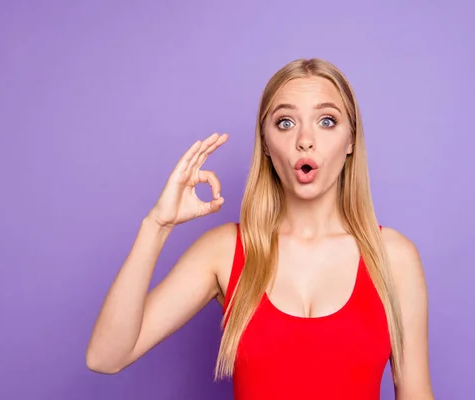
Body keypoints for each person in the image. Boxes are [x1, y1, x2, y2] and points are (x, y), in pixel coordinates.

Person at [86, 58, 434, 399]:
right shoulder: (224, 251)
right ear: (266, 144)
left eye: (327, 121)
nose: (305, 140)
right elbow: (106, 357)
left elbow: (415, 393)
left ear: (351, 142)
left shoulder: (393, 257)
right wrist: (157, 225)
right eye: (285, 123)